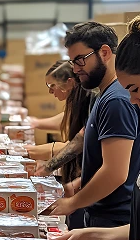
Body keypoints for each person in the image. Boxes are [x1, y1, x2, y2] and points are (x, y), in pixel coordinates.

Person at [50, 13, 140, 240]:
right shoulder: (107, 97)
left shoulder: (116, 100)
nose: (132, 99)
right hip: (115, 227)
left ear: (104, 53)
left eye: (135, 89)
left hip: (116, 216)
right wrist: (89, 233)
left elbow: (116, 172)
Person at [27, 61, 95, 230]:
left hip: (83, 182)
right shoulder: (77, 100)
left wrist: (32, 153)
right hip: (77, 179)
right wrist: (36, 123)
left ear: (70, 82)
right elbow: (66, 120)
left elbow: (76, 143)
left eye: (52, 85)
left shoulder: (91, 101)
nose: (50, 91)